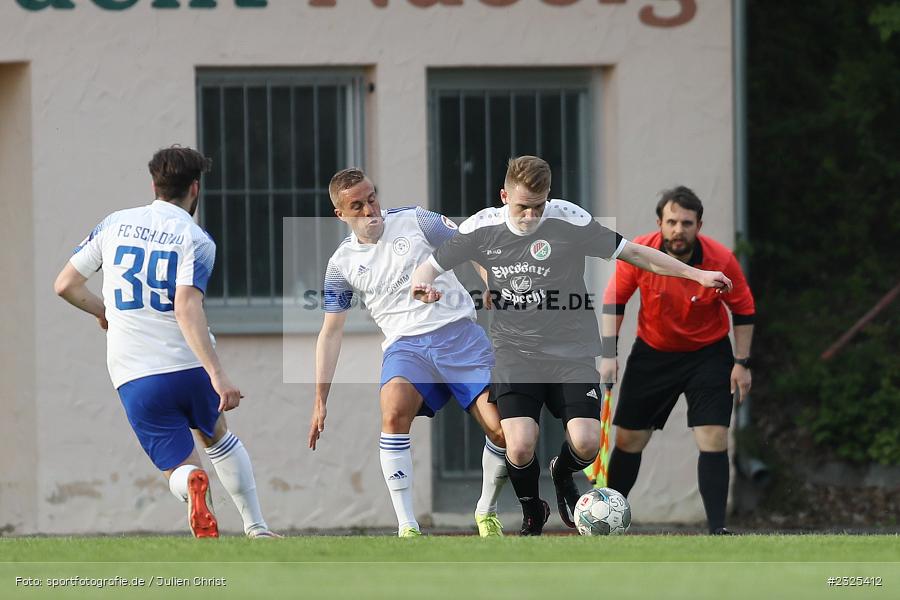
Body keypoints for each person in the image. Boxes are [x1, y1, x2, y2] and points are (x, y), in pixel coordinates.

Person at [411, 156, 734, 535]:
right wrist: (423, 287)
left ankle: (562, 472)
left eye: (538, 206)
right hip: (515, 353)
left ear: (549, 198)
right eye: (522, 207)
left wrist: (695, 274)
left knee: (586, 443)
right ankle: (533, 511)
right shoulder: (482, 227)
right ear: (503, 197)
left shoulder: (569, 220)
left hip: (571, 351)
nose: (531, 216)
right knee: (518, 446)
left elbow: (637, 254)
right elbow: (429, 267)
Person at [54, 146, 278, 539]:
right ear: (195, 188)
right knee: (218, 434)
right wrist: (218, 374)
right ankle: (256, 527)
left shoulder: (114, 224)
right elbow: (186, 307)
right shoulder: (197, 239)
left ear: (154, 184)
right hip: (187, 365)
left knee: (178, 466)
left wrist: (104, 311)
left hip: (134, 372)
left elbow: (66, 285)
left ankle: (191, 482)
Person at [307, 167, 508, 538]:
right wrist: (321, 398)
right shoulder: (341, 265)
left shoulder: (417, 220)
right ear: (341, 214)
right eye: (358, 206)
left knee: (503, 431)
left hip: (460, 336)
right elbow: (330, 333)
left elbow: (471, 244)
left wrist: (491, 282)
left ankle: (486, 509)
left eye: (372, 199)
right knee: (394, 410)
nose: (370, 211)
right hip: (407, 348)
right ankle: (407, 526)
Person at [600, 186, 755, 535]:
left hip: (709, 355)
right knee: (628, 441)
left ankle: (718, 530)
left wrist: (742, 363)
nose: (678, 230)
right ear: (660, 223)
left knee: (714, 438)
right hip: (653, 352)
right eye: (671, 221)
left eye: (686, 223)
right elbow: (614, 302)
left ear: (699, 225)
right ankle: (607, 524)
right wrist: (608, 355)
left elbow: (744, 310)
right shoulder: (640, 253)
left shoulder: (721, 258)